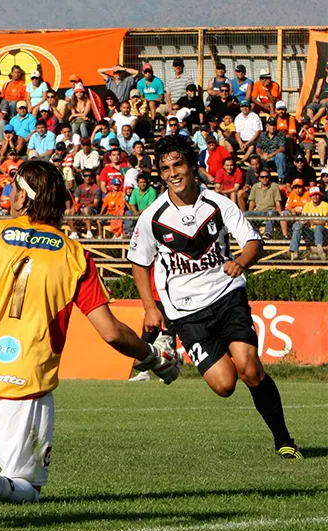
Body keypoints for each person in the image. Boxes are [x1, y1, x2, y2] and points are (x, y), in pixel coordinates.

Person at [0, 160, 180, 508]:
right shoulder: (73, 255)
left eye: (14, 189)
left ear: (25, 198)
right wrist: (153, 357)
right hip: (28, 383)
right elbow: (111, 333)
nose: (9, 195)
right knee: (27, 484)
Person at [128, 135, 303, 460]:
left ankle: (284, 440)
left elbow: (253, 242)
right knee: (224, 386)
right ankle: (173, 356)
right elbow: (139, 263)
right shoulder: (152, 216)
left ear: (192, 166)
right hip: (185, 313)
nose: (172, 173)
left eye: (177, 164)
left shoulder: (218, 204)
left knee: (250, 370)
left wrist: (241, 262)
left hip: (226, 298)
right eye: (165, 168)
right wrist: (150, 308)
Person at [289, 185, 327, 260]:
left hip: (324, 233)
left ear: (320, 195)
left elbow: (324, 222)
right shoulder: (307, 205)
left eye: (316, 194)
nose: (315, 197)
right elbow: (304, 220)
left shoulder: (325, 205)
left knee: (318, 227)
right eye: (313, 195)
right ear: (310, 196)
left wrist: (311, 222)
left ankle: (319, 248)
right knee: (297, 225)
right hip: (310, 232)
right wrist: (312, 222)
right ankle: (294, 251)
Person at [245, 168, 282, 239]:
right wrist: (250, 212)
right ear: (259, 178)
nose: (264, 179)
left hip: (271, 211)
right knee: (245, 214)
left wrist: (280, 217)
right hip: (259, 212)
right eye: (262, 177)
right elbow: (252, 202)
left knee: (271, 213)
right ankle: (252, 232)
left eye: (266, 177)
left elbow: (278, 203)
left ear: (269, 177)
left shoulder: (274, 186)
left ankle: (268, 233)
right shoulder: (255, 187)